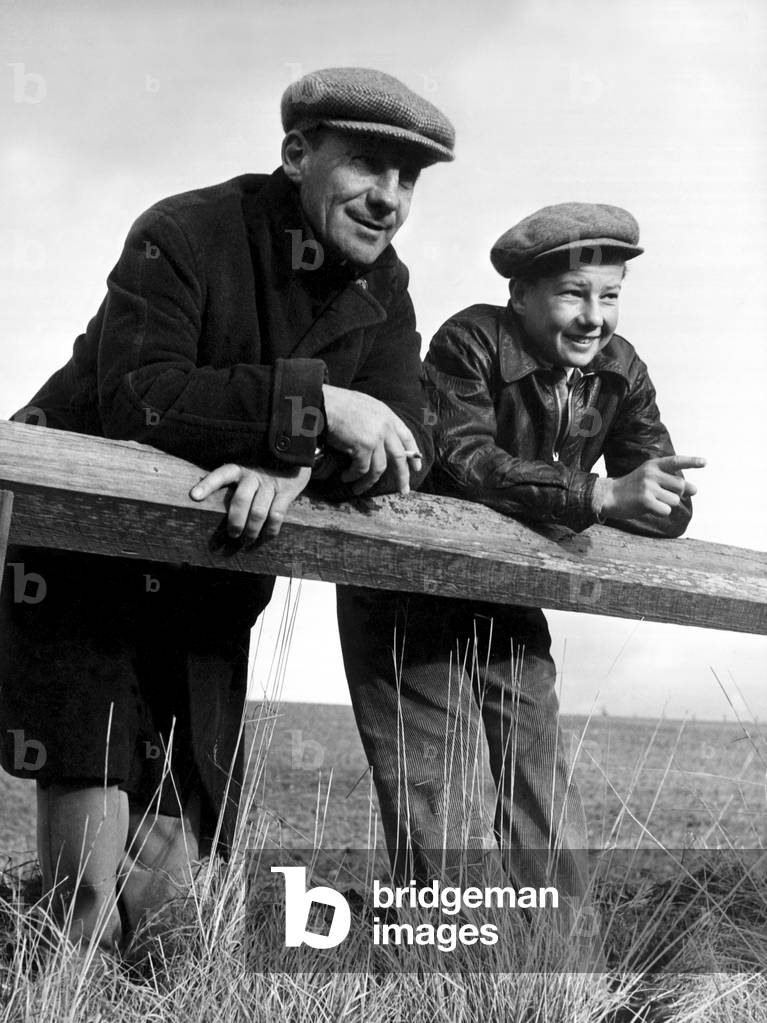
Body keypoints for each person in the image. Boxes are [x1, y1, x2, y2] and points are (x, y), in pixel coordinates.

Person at [0, 66, 454, 953]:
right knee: (87, 895)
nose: (389, 199)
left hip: (211, 576)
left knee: (174, 900)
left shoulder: (383, 290)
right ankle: (53, 997)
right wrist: (320, 408)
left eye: (408, 180)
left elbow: (407, 445)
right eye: (368, 165)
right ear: (296, 153)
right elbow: (143, 394)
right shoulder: (184, 232)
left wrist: (294, 462)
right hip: (80, 576)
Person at [338, 203, 705, 901]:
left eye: (609, 297)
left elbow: (662, 493)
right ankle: (434, 975)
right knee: (428, 795)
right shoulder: (468, 341)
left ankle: (565, 976)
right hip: (405, 587)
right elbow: (466, 460)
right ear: (521, 296)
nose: (593, 318)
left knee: (537, 776)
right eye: (573, 294)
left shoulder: (618, 369)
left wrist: (654, 497)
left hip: (507, 594)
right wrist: (596, 496)